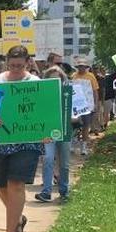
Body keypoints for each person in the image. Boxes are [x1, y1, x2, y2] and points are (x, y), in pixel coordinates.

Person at [0, 45, 41, 232]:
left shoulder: (36, 84)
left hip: (27, 140)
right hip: (1, 139)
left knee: (16, 184)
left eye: (20, 65)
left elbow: (43, 112)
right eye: (12, 65)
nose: (16, 69)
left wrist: (47, 131)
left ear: (27, 63)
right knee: (1, 186)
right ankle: (18, 218)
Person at [35, 66, 71, 203]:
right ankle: (46, 192)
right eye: (51, 80)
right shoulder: (41, 95)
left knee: (64, 163)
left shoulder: (68, 94)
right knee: (48, 159)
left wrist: (74, 116)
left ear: (62, 80)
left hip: (65, 130)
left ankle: (64, 191)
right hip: (48, 131)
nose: (54, 82)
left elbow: (76, 111)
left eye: (57, 79)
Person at [71, 55, 100, 155]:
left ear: (86, 67)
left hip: (87, 106)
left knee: (86, 125)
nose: (81, 68)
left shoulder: (91, 76)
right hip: (76, 106)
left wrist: (96, 103)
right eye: (79, 66)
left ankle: (83, 147)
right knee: (74, 125)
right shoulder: (73, 76)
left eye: (83, 66)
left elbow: (95, 91)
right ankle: (73, 143)